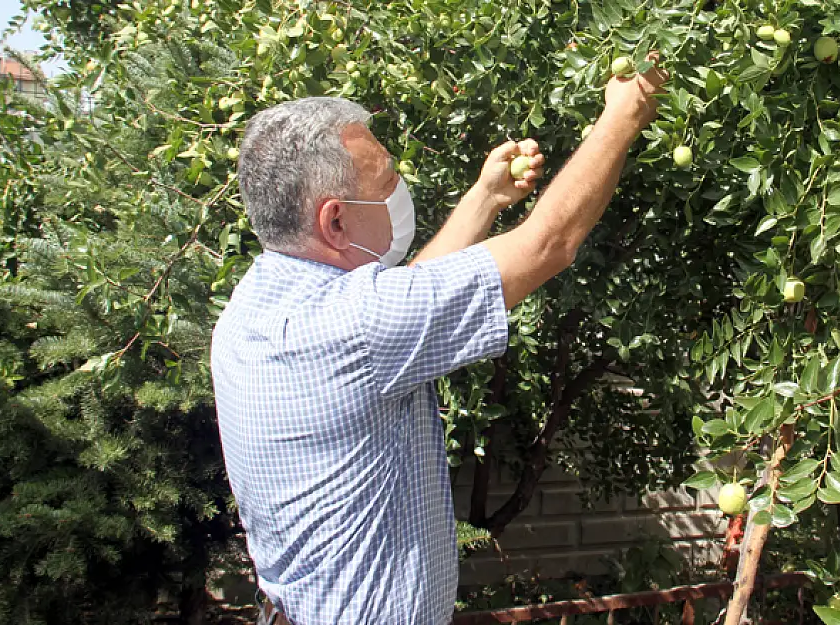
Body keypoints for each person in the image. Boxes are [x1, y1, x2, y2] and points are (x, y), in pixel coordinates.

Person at [210, 56, 667, 625]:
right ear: (335, 222)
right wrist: (622, 118)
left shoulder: (255, 309)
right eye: (386, 183)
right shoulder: (354, 326)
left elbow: (400, 316)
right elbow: (548, 245)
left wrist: (485, 198)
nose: (401, 189)